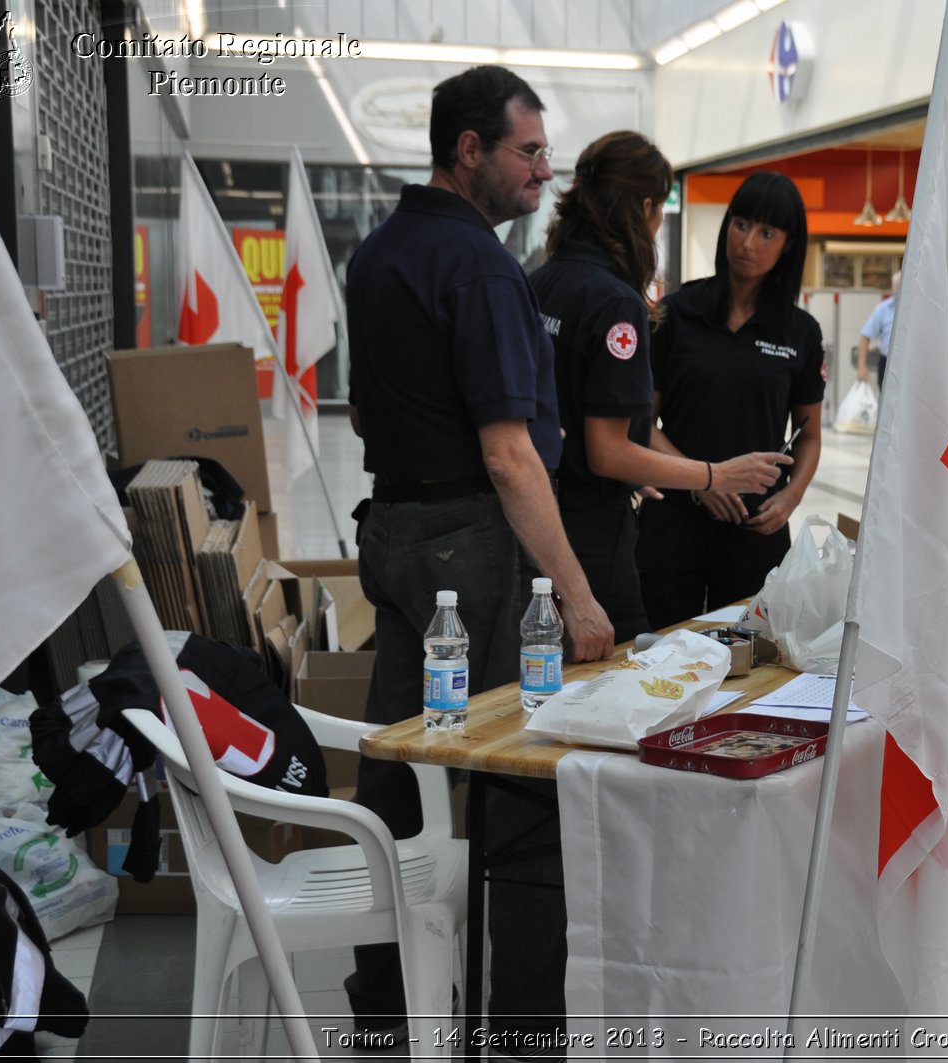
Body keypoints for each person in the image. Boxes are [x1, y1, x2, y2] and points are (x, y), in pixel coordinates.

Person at [342, 65, 614, 1046]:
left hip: (397, 535)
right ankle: (526, 1025)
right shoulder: (480, 266)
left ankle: (386, 1002)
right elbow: (508, 451)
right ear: (471, 151)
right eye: (528, 152)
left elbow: (369, 408)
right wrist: (577, 598)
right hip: (470, 546)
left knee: (400, 760)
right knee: (522, 773)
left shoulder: (378, 254)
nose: (544, 171)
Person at [529, 131, 791, 643]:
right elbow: (609, 450)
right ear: (647, 207)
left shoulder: (542, 281)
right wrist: (713, 475)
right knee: (618, 663)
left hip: (537, 518)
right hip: (588, 530)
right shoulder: (614, 301)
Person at [636, 172, 826, 631]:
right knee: (658, 656)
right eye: (741, 225)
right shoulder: (677, 313)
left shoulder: (799, 332)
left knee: (748, 661)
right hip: (673, 519)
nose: (748, 243)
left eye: (767, 233)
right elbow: (641, 421)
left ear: (788, 244)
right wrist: (702, 481)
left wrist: (792, 496)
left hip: (756, 524)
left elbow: (810, 436)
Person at [855, 268, 899, 388]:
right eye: (898, 287)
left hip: (909, 363)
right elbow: (865, 335)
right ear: (894, 288)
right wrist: (861, 366)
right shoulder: (883, 308)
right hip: (887, 362)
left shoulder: (916, 310)